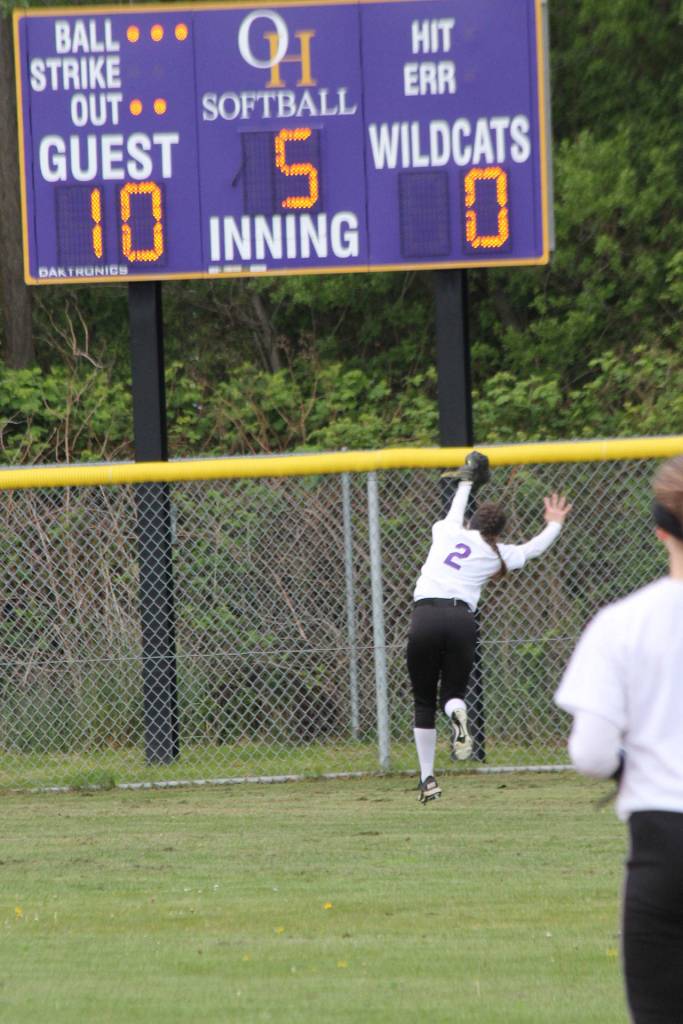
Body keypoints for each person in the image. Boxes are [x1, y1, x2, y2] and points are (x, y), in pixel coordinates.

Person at [554, 455, 683, 1024]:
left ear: (659, 527)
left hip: (664, 844)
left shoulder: (623, 622)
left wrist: (633, 763)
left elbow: (590, 754)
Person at [408, 451, 572, 804]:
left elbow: (454, 509)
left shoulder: (447, 531)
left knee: (423, 701)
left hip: (425, 615)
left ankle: (427, 779)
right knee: (451, 695)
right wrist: (555, 522)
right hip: (461, 620)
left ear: (473, 522)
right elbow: (534, 549)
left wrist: (468, 480)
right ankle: (457, 713)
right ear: (498, 532)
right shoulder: (498, 554)